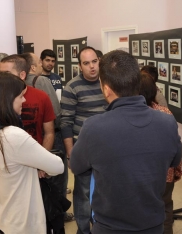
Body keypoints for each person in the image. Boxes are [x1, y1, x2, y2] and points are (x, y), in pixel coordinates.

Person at [70, 50, 182, 234]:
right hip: (153, 225)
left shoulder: (94, 127)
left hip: (109, 227)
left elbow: (76, 165)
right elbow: (174, 160)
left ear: (106, 89)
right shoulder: (167, 122)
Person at [0, 71, 64, 233]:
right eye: (19, 96)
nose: (24, 100)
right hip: (23, 220)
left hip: (5, 212)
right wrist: (39, 165)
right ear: (7, 100)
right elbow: (58, 166)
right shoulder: (13, 135)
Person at [60, 46, 108, 234]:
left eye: (94, 61)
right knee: (83, 192)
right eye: (86, 63)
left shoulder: (107, 83)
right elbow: (66, 123)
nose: (92, 67)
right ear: (80, 66)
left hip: (105, 148)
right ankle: (83, 229)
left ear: (99, 61)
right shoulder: (72, 87)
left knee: (104, 190)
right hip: (83, 148)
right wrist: (71, 154)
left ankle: (100, 226)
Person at [139, 72, 182, 234]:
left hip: (141, 174)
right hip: (165, 173)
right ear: (154, 91)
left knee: (142, 210)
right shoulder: (166, 114)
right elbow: (176, 145)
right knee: (165, 208)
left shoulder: (132, 116)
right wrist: (176, 169)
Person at [40, 49, 74, 219]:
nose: (50, 64)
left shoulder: (57, 79)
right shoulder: (38, 80)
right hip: (45, 131)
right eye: (47, 60)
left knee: (61, 170)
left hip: (58, 129)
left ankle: (61, 209)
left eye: (52, 60)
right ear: (40, 61)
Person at [0, 54, 56, 150]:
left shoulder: (42, 97)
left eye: (7, 73)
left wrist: (43, 159)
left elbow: (49, 133)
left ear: (22, 75)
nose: (1, 78)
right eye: (0, 74)